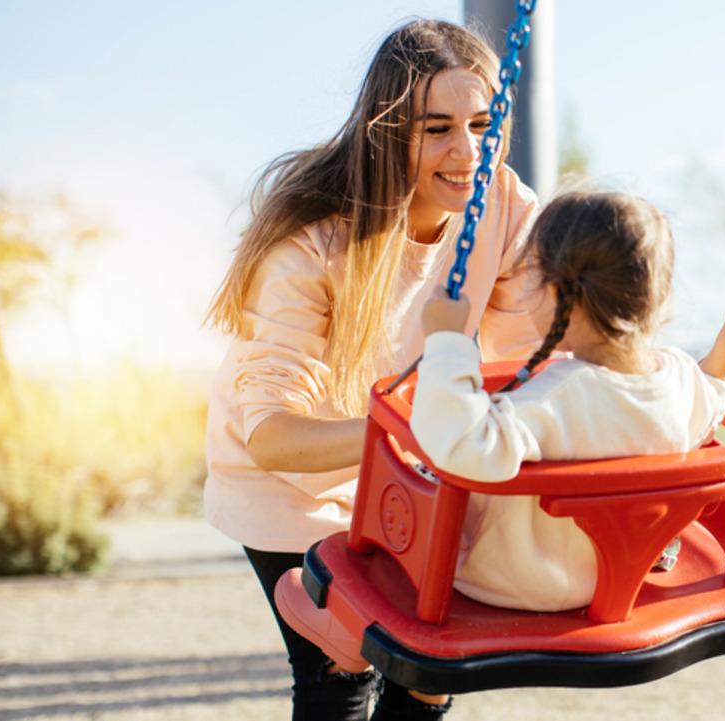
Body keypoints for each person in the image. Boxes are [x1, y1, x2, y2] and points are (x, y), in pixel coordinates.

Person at [203, 19, 548, 721]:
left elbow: (531, 361)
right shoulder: (312, 243)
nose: (467, 151)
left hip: (404, 466)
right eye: (437, 129)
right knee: (339, 675)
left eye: (482, 124)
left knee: (431, 670)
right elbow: (272, 437)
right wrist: (413, 429)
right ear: (389, 132)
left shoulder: (503, 205)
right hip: (293, 479)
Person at [409, 191, 725, 612]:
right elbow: (710, 401)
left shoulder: (556, 398)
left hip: (517, 585)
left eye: (530, 278)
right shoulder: (677, 378)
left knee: (423, 479)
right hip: (616, 575)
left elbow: (462, 444)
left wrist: (447, 342)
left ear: (558, 294)